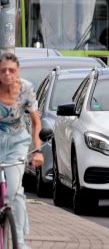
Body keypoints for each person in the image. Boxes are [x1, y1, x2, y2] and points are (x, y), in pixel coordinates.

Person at [0, 52, 43, 248]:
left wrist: (37, 150)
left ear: (18, 71)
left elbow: (36, 122)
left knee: (15, 192)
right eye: (3, 70)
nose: (7, 74)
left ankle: (19, 241)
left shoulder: (26, 89)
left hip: (17, 142)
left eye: (11, 70)